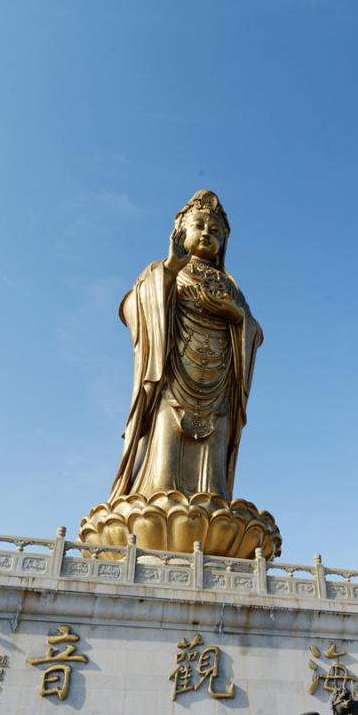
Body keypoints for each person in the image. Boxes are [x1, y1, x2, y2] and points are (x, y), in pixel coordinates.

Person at [109, 189, 263, 505]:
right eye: (200, 226)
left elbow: (254, 333)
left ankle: (212, 512)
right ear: (181, 231)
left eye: (215, 230)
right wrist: (170, 269)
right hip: (173, 383)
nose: (207, 233)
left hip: (218, 393)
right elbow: (132, 306)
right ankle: (153, 503)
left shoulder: (230, 287)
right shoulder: (164, 272)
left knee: (213, 488)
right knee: (163, 479)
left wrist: (235, 315)